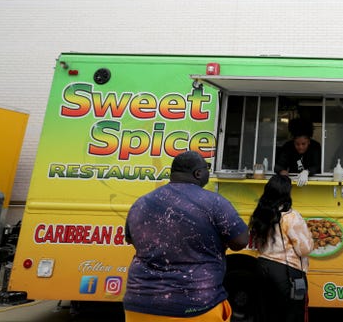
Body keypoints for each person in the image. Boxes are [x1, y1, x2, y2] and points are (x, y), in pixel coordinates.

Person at [123, 150, 249, 322]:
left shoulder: (141, 203)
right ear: (198, 173)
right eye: (207, 168)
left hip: (139, 304)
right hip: (196, 307)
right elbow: (240, 241)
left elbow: (131, 239)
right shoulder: (214, 202)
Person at [249, 175, 313, 322]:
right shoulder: (291, 217)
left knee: (266, 313)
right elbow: (304, 249)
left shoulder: (260, 213)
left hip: (262, 267)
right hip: (286, 273)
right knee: (291, 314)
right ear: (286, 193)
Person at [274, 117, 321, 186]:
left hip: (314, 182)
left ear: (309, 141)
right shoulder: (288, 146)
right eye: (297, 144)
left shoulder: (315, 147)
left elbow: (317, 166)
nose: (300, 147)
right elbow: (278, 165)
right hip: (293, 181)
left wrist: (307, 172)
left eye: (303, 144)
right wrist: (281, 171)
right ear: (293, 141)